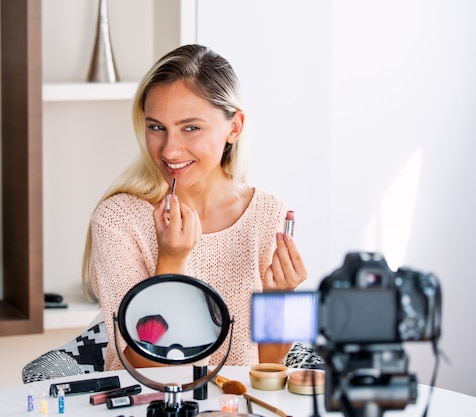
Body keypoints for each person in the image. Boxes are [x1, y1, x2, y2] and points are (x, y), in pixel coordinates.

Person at [82, 44, 307, 371]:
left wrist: (282, 300)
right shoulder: (118, 220)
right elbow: (145, 368)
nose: (170, 150)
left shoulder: (269, 214)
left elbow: (267, 368)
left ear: (234, 127)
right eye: (156, 127)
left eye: (191, 127)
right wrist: (171, 260)